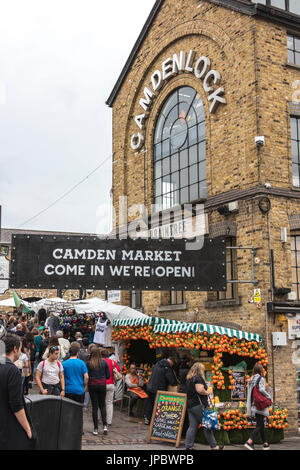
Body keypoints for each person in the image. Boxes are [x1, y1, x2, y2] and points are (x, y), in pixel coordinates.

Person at [0, 334, 37, 450]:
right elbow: (16, 404)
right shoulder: (12, 370)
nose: (20, 352)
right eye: (20, 349)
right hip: (8, 426)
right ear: (15, 349)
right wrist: (28, 428)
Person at [185, 362, 223, 450]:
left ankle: (188, 447)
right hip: (199, 405)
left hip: (190, 406)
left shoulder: (189, 379)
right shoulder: (198, 378)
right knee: (207, 426)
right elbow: (200, 390)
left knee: (192, 426)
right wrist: (207, 392)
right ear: (200, 370)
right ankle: (214, 446)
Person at [244, 363, 272, 451]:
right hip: (260, 404)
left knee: (260, 424)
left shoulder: (251, 379)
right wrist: (269, 396)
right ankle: (249, 441)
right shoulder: (261, 378)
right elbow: (262, 389)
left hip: (254, 404)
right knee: (260, 425)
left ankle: (265, 444)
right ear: (261, 370)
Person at [144, 356, 177, 425]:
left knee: (149, 403)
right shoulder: (167, 367)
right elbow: (171, 380)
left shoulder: (157, 364)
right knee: (157, 405)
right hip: (158, 388)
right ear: (171, 363)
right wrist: (175, 383)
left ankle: (147, 418)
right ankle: (156, 420)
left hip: (150, 386)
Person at [87, 346, 110, 436]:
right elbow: (108, 376)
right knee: (102, 405)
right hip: (102, 384)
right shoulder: (104, 363)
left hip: (92, 385)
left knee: (94, 407)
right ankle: (105, 426)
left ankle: (95, 428)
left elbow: (87, 376)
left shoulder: (89, 364)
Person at [102, 348, 122, 425]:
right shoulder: (112, 362)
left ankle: (99, 418)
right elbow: (119, 370)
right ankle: (109, 421)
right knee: (109, 403)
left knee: (100, 402)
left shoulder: (100, 362)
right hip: (111, 384)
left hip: (102, 384)